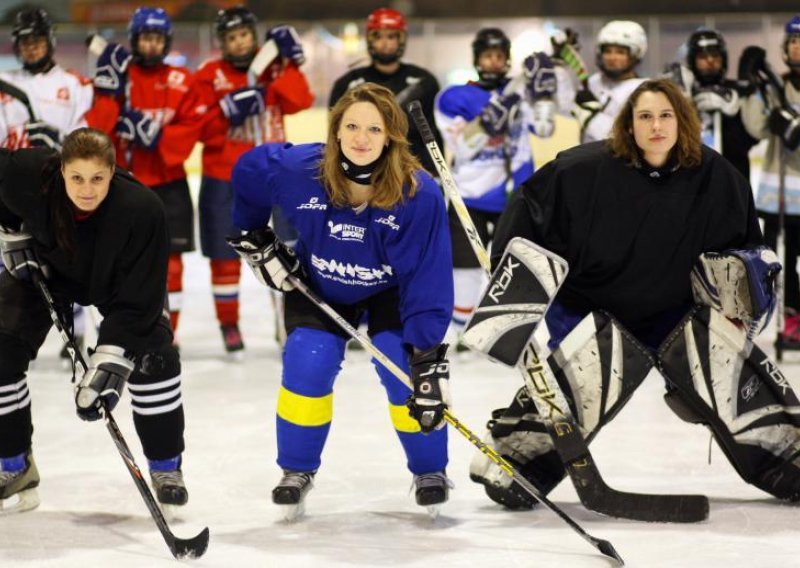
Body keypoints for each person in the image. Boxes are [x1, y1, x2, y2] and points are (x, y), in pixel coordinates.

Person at [470, 79, 800, 510]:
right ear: (629, 124)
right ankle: (517, 463)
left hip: (677, 317)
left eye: (666, 116)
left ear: (682, 121)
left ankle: (790, 461)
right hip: (594, 313)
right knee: (571, 395)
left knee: (735, 382)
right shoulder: (581, 170)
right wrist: (511, 278)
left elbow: (749, 251)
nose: (656, 126)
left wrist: (740, 297)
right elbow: (527, 216)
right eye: (645, 116)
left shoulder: (718, 178)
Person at [228, 83, 453, 516]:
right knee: (307, 361)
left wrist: (425, 356)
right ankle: (296, 469)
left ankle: (430, 469)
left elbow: (429, 279)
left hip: (392, 292)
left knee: (402, 370)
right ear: (335, 131)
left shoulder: (417, 194)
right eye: (351, 126)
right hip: (321, 284)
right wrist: (252, 234)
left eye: (373, 128)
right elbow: (249, 169)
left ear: (390, 135)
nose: (361, 138)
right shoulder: (302, 169)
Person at [0, 128, 189, 512]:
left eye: (98, 178)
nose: (87, 189)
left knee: (156, 356)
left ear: (113, 172)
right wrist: (11, 230)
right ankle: (13, 464)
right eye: (77, 178)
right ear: (60, 170)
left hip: (116, 286)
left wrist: (111, 362)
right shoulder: (31, 174)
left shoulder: (143, 209)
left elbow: (141, 301)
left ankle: (166, 467)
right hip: (47, 270)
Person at [193, 6, 313, 354]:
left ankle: (286, 324)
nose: (240, 42)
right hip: (225, 175)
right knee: (225, 253)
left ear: (254, 35)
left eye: (244, 34)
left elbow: (300, 101)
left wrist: (289, 64)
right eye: (231, 37)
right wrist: (225, 112)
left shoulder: (271, 65)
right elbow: (197, 129)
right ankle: (229, 323)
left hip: (277, 170)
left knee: (288, 249)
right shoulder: (208, 74)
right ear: (222, 42)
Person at [85, 7, 203, 342]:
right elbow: (98, 131)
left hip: (169, 184)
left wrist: (157, 136)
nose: (150, 45)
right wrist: (110, 92)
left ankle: (169, 331)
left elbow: (193, 128)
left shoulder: (183, 82)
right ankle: (124, 328)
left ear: (165, 42)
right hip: (124, 184)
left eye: (156, 38)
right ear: (135, 40)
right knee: (121, 262)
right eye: (144, 38)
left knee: (173, 263)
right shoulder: (120, 75)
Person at [434, 27, 557, 343]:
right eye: (487, 56)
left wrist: (543, 95)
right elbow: (464, 147)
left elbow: (544, 130)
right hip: (469, 194)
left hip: (514, 194)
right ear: (477, 59)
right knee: (463, 263)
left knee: (513, 263)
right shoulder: (452, 97)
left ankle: (507, 327)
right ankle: (461, 326)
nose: (493, 62)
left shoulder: (522, 92)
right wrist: (488, 120)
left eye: (500, 56)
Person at [0, 8, 95, 358]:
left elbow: (88, 134)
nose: (31, 47)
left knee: (68, 258)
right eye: (25, 42)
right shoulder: (7, 86)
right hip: (15, 188)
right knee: (14, 261)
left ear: (50, 41)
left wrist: (61, 139)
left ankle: (77, 331)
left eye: (37, 40)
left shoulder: (74, 84)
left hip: (61, 185)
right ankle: (14, 330)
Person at [740, 16, 800, 345]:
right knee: (783, 258)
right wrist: (753, 91)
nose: (797, 47)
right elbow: (758, 128)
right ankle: (790, 317)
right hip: (782, 193)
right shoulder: (779, 88)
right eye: (792, 42)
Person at [329, 7, 444, 177]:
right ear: (369, 39)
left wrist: (437, 173)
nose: (385, 43)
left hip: (416, 172)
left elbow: (434, 133)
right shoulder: (348, 84)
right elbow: (335, 134)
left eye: (391, 36)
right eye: (378, 36)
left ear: (401, 39)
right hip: (365, 173)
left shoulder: (424, 82)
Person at [663, 28, 757, 178]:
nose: (710, 61)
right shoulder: (682, 93)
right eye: (703, 56)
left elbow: (753, 137)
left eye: (715, 55)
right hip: (691, 178)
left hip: (733, 175)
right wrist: (683, 102)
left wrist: (743, 100)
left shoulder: (738, 91)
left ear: (723, 58)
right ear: (692, 60)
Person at [573, 20, 648, 143]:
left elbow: (627, 136)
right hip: (585, 157)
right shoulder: (593, 82)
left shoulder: (644, 90)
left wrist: (593, 116)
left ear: (635, 54)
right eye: (607, 51)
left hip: (618, 160)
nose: (612, 57)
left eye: (620, 52)